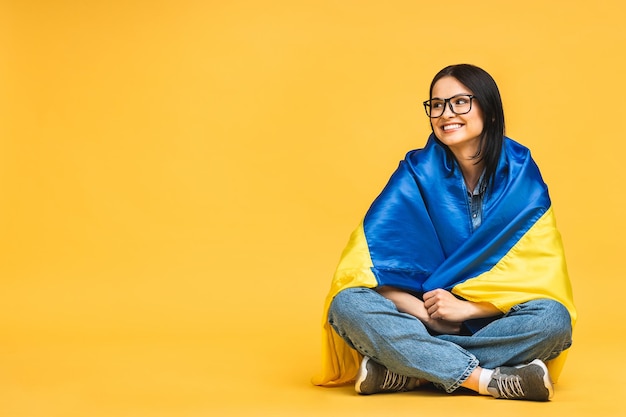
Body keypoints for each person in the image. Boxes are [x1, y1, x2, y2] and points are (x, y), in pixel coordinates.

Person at [312, 64, 576, 402]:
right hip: (419, 318)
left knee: (553, 319)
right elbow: (372, 265)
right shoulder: (415, 171)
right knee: (346, 304)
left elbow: (539, 277)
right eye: (437, 105)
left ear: (490, 111)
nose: (445, 113)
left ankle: (405, 370)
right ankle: (487, 380)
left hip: (489, 322)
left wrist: (467, 310)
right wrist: (425, 313)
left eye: (460, 102)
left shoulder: (521, 172)